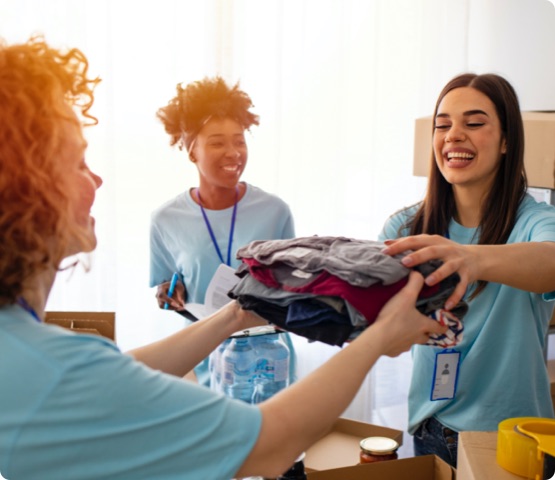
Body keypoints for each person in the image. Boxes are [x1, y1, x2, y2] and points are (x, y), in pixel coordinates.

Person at [0, 35, 448, 480]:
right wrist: (382, 334)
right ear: (28, 185)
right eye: (78, 162)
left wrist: (236, 314)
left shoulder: (29, 352)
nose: (96, 179)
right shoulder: (51, 369)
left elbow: (113, 374)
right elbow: (269, 444)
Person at [379, 72, 555, 468]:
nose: (454, 135)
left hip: (513, 438)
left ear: (507, 140)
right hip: (431, 428)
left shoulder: (536, 221)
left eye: (474, 123)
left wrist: (471, 258)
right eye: (443, 125)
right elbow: (382, 327)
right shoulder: (405, 229)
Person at [150, 76, 296, 386]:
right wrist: (167, 294)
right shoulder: (165, 219)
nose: (233, 152)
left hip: (268, 362)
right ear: (192, 152)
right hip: (203, 360)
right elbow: (164, 287)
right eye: (217, 142)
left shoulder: (275, 211)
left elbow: (292, 288)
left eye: (239, 140)